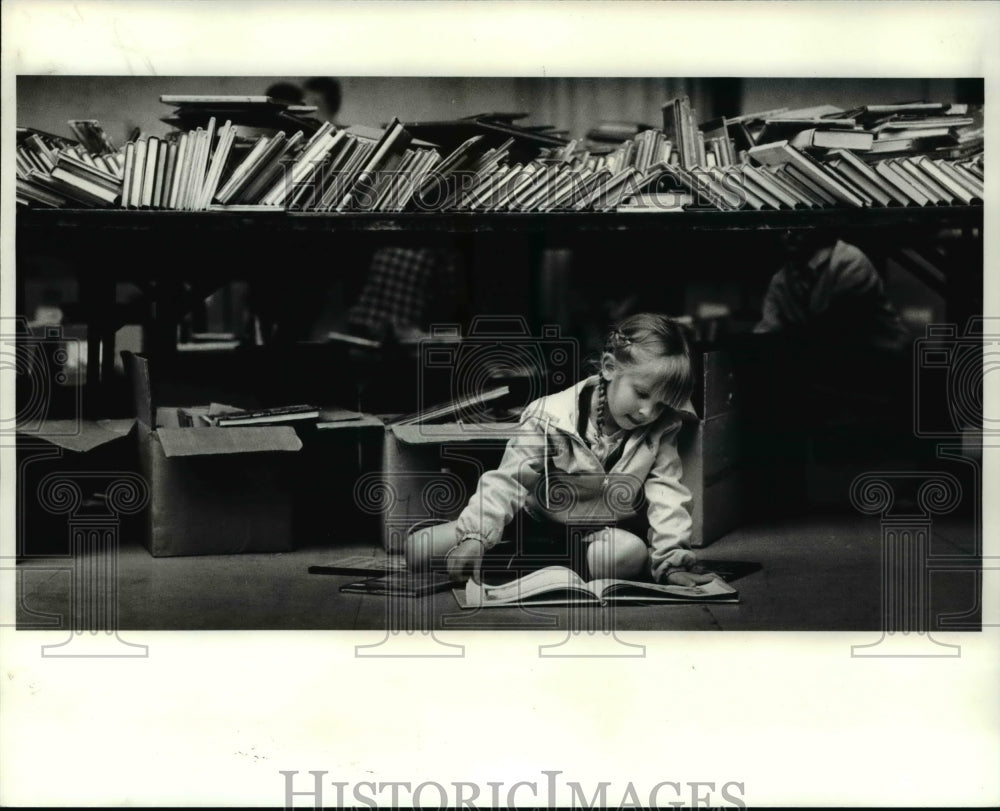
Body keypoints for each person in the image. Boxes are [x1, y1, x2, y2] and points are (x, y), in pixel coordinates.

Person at [405, 313, 721, 587]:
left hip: (596, 533)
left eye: (662, 403)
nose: (648, 413)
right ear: (610, 368)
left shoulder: (662, 427)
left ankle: (536, 565)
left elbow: (668, 494)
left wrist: (672, 562)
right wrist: (474, 537)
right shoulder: (549, 415)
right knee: (418, 550)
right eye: (641, 394)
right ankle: (512, 551)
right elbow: (507, 480)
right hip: (529, 522)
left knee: (629, 555)